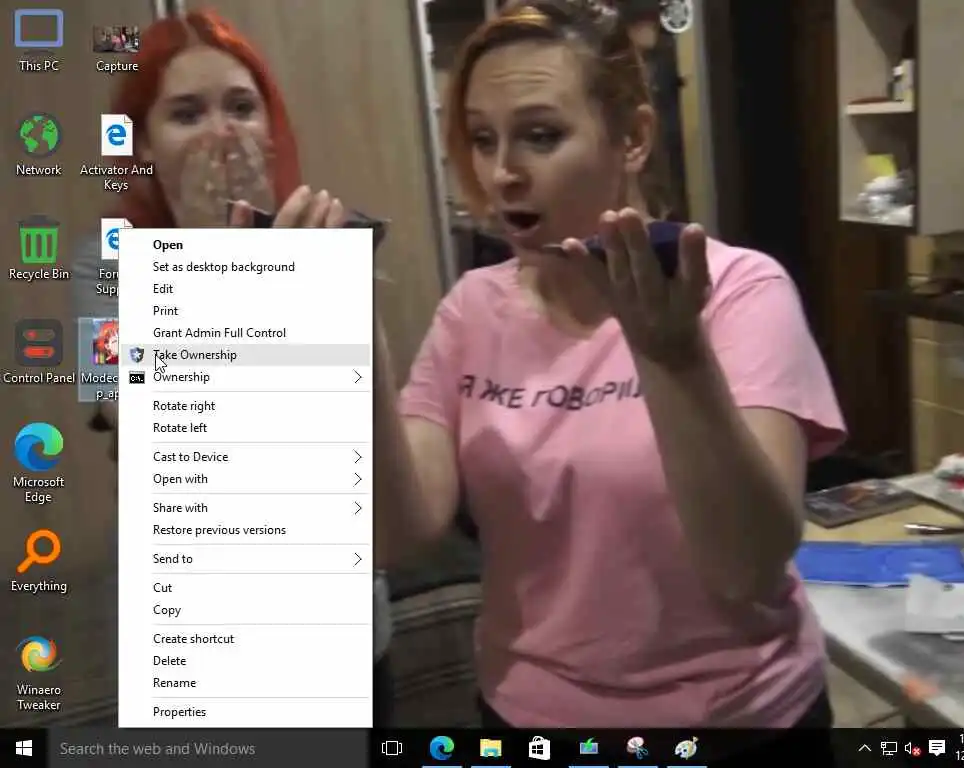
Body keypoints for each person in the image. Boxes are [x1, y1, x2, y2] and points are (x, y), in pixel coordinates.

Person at [373, 0, 845, 762]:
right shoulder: (471, 310)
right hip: (532, 720)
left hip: (739, 725)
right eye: (484, 139)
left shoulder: (738, 291)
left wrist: (675, 359)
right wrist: (348, 341)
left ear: (632, 137)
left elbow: (747, 569)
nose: (501, 173)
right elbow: (395, 534)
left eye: (540, 135)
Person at [72, 8, 394, 727]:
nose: (222, 133)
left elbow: (361, 440)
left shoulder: (321, 240)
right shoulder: (102, 269)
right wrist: (211, 256)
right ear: (143, 143)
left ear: (270, 129)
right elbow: (137, 426)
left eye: (242, 108)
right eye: (187, 114)